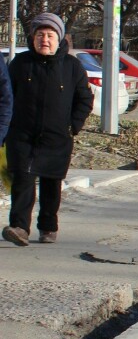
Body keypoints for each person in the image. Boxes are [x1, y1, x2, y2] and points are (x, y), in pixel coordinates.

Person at [3, 13, 94, 246]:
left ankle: (48, 227)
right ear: (33, 38)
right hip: (23, 136)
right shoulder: (21, 64)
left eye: (50, 35)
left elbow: (84, 99)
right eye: (40, 35)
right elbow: (7, 96)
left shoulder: (72, 66)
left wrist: (73, 125)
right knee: (23, 181)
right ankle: (20, 228)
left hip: (57, 138)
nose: (44, 40)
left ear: (59, 38)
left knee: (51, 184)